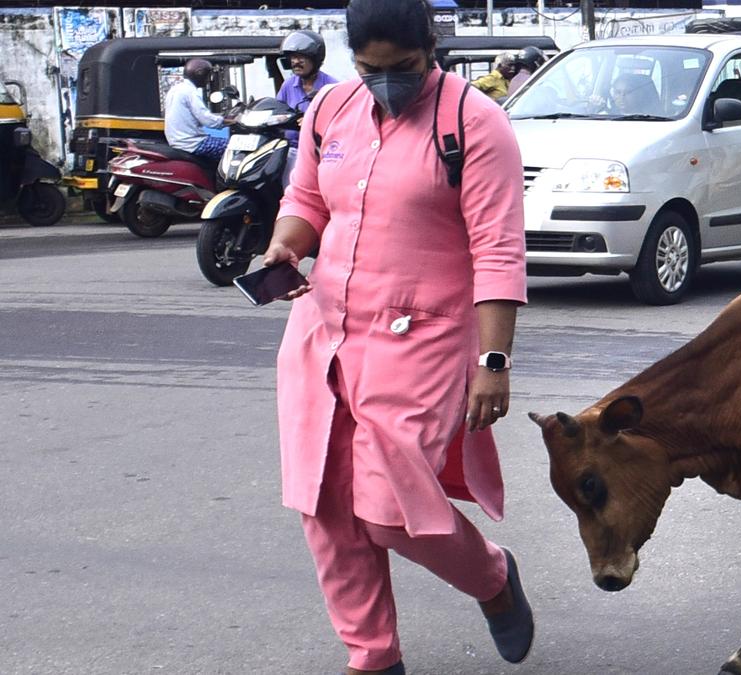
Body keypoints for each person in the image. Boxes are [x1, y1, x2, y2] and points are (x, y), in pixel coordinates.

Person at [261, 0, 531, 672]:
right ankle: (374, 655)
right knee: (324, 504)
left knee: (388, 511)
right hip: (321, 334)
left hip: (424, 341)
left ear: (429, 49)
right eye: (368, 68)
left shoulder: (476, 122)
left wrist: (493, 360)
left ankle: (493, 579)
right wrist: (283, 249)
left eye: (403, 68)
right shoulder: (328, 111)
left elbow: (498, 249)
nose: (386, 83)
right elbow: (306, 200)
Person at [163, 59, 234, 161]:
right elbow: (206, 119)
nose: (209, 79)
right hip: (194, 143)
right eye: (208, 75)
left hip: (179, 142)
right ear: (199, 73)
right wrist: (230, 121)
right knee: (234, 147)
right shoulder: (190, 91)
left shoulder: (175, 89)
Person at [276, 30, 339, 115]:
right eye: (293, 57)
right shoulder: (288, 85)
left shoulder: (332, 86)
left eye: (301, 58)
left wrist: (310, 121)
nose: (296, 61)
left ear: (315, 60)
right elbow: (278, 112)